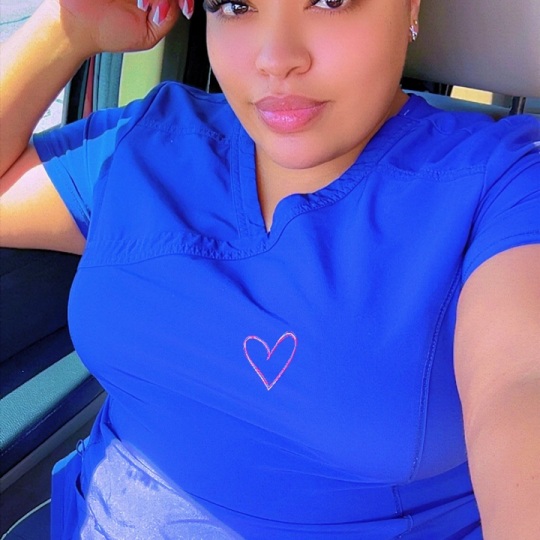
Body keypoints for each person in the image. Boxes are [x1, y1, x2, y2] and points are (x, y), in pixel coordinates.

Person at [1, 0, 539, 538]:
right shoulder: (153, 138)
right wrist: (66, 30)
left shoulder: (503, 181)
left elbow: (520, 385)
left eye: (330, 0)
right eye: (235, 4)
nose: (276, 58)